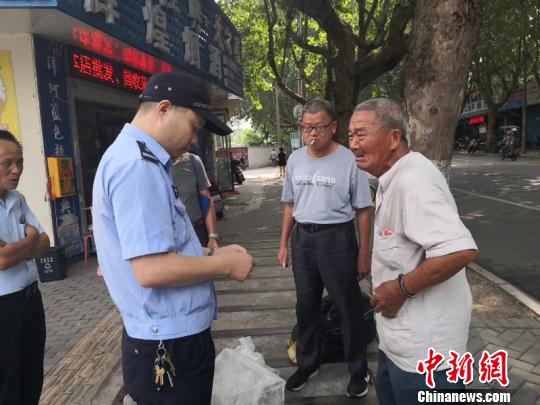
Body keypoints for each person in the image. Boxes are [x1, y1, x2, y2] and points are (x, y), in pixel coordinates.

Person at [92, 72, 255, 405]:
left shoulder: (143, 160)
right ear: (164, 109)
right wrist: (225, 266)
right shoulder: (137, 166)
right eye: (194, 127)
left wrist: (210, 254)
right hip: (168, 344)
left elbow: (162, 248)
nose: (194, 140)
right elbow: (152, 270)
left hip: (167, 337)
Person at [348, 98, 478, 405]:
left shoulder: (413, 180)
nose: (353, 144)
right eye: (350, 135)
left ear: (394, 138)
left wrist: (401, 288)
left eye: (361, 134)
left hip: (427, 356)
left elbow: (460, 251)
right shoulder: (390, 178)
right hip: (398, 343)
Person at [278, 100, 372, 398]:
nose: (311, 134)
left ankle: (358, 370)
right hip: (303, 239)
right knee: (306, 305)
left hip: (337, 240)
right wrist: (283, 243)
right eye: (306, 127)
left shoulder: (349, 160)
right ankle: (308, 363)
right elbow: (290, 205)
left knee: (347, 306)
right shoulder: (295, 160)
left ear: (333, 127)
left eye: (318, 127)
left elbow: (363, 211)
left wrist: (364, 254)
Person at [0, 129, 51, 405]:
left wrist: (19, 247)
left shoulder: (17, 199)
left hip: (31, 301)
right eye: (7, 163)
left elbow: (46, 242)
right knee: (8, 386)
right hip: (4, 309)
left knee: (32, 378)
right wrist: (30, 239)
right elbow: (3, 261)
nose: (16, 170)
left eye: (19, 161)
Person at [171, 152, 219, 249]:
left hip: (197, 233)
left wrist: (212, 237)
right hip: (170, 237)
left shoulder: (193, 161)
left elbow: (206, 201)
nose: (193, 143)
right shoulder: (152, 164)